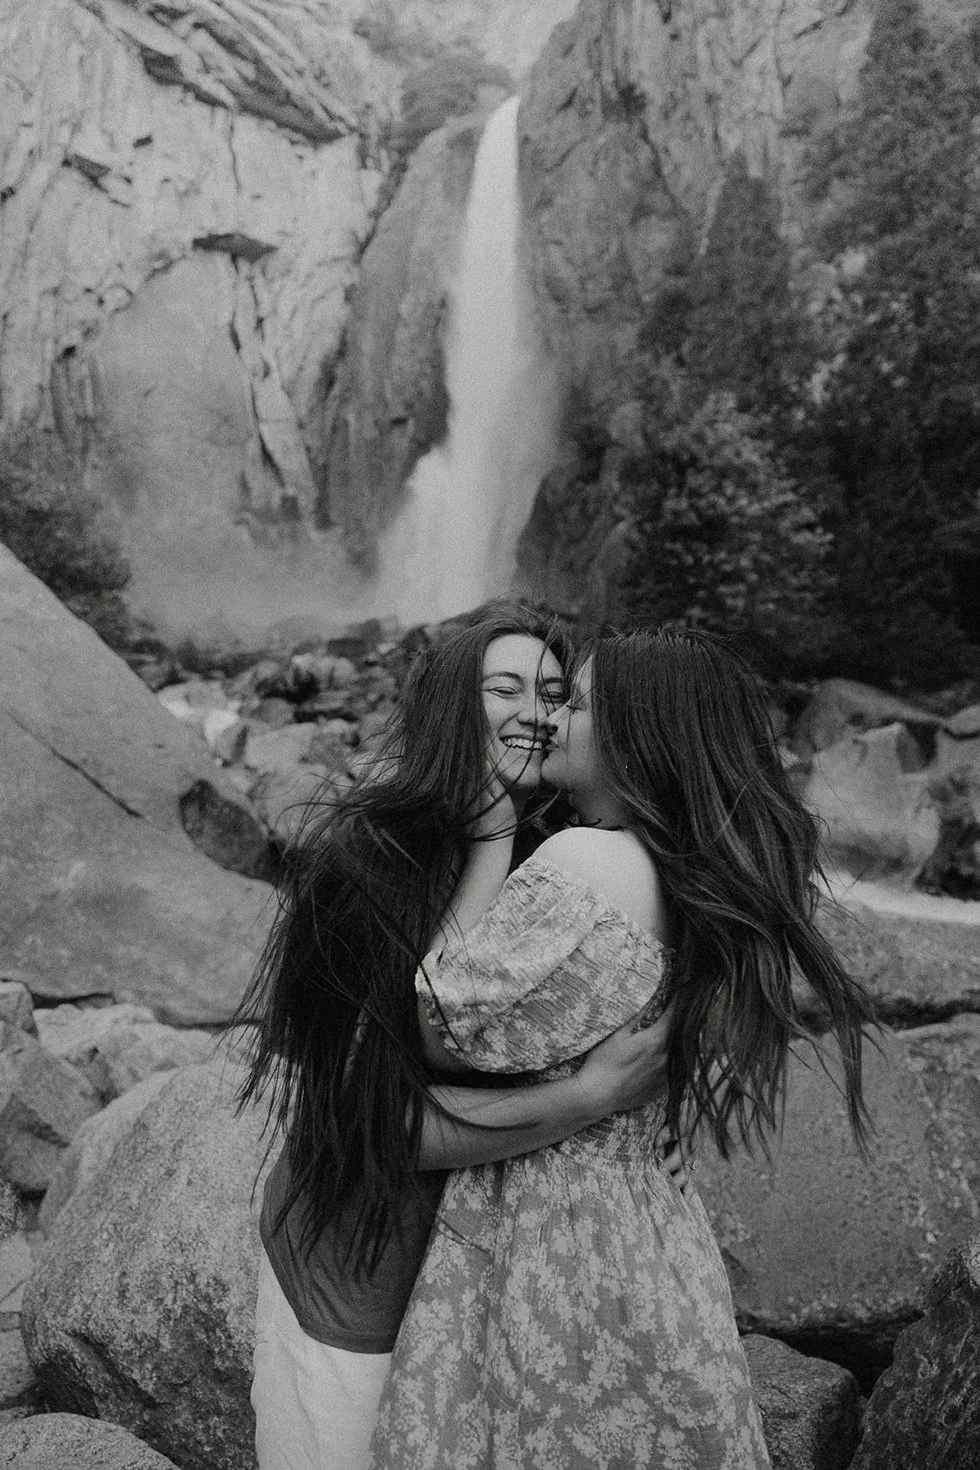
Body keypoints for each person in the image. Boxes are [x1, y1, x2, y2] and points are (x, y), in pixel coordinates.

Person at [369, 625, 876, 1469]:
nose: (555, 718)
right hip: (648, 1233)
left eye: (579, 702)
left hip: (548, 1239)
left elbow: (441, 1020)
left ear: (641, 734)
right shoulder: (692, 879)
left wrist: (491, 839)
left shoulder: (584, 860)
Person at [237, 603, 686, 1470]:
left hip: (497, 1289)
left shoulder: (572, 865)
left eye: (555, 694)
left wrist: (655, 1127)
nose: (536, 712)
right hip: (359, 1272)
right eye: (504, 688)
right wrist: (591, 1099)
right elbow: (375, 1124)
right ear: (450, 706)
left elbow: (644, 1036)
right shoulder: (371, 860)